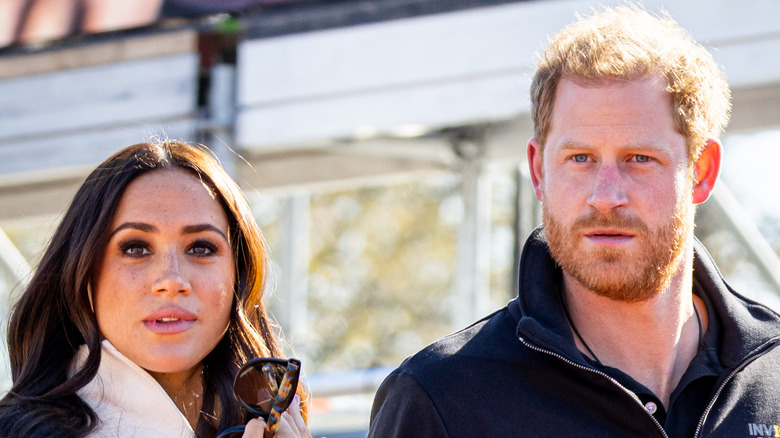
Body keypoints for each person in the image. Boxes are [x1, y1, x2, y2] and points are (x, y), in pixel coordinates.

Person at [368, 5, 780, 437]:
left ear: (701, 170)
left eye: (639, 159)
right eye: (579, 158)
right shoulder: (441, 401)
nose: (605, 196)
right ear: (539, 170)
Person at [0, 141, 311, 438]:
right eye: (136, 248)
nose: (172, 280)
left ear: (239, 276)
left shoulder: (279, 420)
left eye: (201, 248)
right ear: (84, 276)